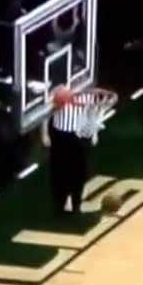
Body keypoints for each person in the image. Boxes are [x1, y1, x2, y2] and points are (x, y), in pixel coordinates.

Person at [40, 85, 97, 216]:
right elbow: (45, 113)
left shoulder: (88, 91)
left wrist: (94, 133)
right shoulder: (58, 91)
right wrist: (44, 133)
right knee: (60, 170)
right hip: (61, 135)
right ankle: (62, 199)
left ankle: (75, 199)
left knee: (80, 170)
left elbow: (91, 113)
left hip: (80, 135)